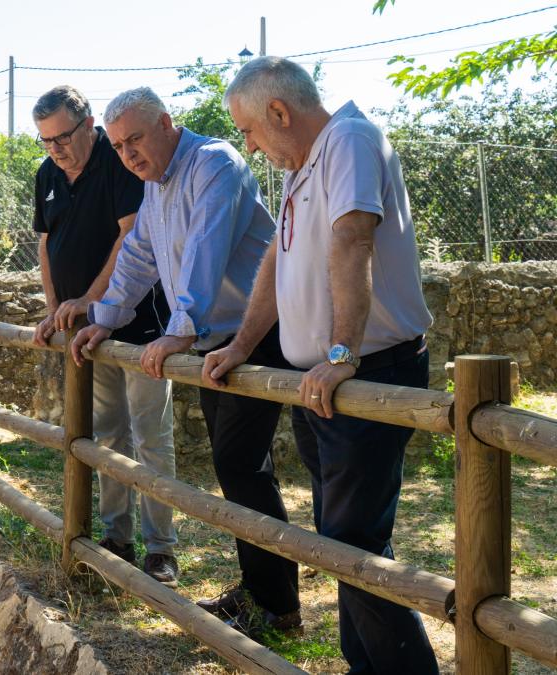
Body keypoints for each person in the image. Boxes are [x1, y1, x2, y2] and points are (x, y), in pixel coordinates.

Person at [205, 55, 439, 673]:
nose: (250, 147)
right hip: (324, 381)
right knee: (343, 543)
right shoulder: (302, 163)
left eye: (251, 130)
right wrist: (240, 343)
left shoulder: (350, 140)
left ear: (279, 112)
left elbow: (353, 238)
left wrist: (341, 355)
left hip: (367, 371)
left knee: (353, 545)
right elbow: (277, 265)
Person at [70, 86, 301, 636]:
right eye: (120, 146)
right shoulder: (157, 187)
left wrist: (180, 328)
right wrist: (105, 316)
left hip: (259, 333)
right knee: (239, 468)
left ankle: (278, 608)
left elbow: (207, 246)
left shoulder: (215, 163)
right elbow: (139, 257)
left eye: (136, 140)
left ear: (167, 123)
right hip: (215, 340)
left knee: (242, 466)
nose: (128, 155)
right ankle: (264, 595)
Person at [30, 85, 179, 585]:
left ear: (88, 123)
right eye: (45, 140)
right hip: (83, 335)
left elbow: (131, 238)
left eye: (63, 137)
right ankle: (119, 538)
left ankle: (162, 549)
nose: (56, 148)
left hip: (140, 330)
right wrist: (57, 311)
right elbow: (47, 246)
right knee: (108, 434)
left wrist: (90, 303)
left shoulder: (120, 164)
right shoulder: (47, 175)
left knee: (150, 437)